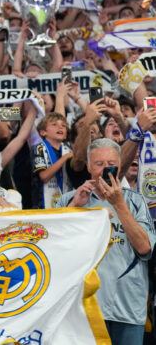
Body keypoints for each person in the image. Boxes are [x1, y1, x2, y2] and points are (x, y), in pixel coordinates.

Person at [57, 138, 156, 344]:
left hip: (128, 307)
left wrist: (118, 203)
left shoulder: (136, 202)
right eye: (99, 164)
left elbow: (145, 248)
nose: (105, 169)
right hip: (81, 309)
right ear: (88, 166)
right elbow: (55, 248)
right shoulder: (68, 200)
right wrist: (75, 207)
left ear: (119, 166)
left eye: (110, 163)